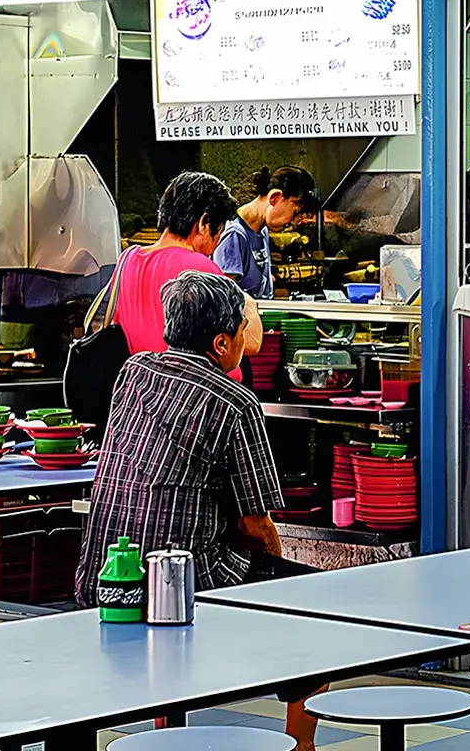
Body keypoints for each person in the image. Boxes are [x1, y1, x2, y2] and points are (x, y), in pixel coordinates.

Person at [75, 271, 323, 750]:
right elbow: (255, 523)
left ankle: (169, 729)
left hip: (104, 574)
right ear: (221, 341)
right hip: (181, 582)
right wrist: (276, 564)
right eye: (241, 331)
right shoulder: (235, 402)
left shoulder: (134, 372)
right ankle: (302, 745)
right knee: (310, 603)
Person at [114, 171, 260, 358]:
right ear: (204, 224)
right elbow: (250, 343)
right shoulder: (199, 268)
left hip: (146, 378)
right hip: (196, 382)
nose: (217, 244)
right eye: (220, 232)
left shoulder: (128, 259)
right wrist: (247, 302)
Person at [215, 166, 316, 300]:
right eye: (295, 211)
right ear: (275, 198)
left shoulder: (262, 230)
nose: (294, 222)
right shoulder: (233, 234)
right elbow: (226, 296)